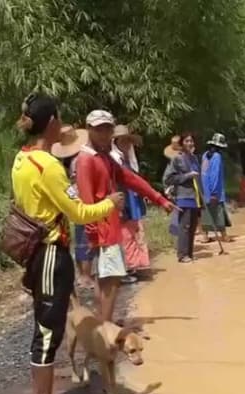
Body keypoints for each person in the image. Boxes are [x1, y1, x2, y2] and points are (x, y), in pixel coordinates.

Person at [11, 93, 123, 394]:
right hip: (50, 253)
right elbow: (77, 212)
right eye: (60, 119)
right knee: (48, 333)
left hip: (35, 252)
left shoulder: (22, 159)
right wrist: (109, 204)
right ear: (53, 122)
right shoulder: (49, 167)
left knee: (47, 330)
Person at [75, 110, 174, 324]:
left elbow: (130, 178)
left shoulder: (104, 158)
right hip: (102, 230)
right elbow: (85, 200)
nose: (103, 133)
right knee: (111, 279)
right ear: (89, 130)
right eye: (98, 129)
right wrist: (93, 233)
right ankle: (106, 327)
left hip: (110, 226)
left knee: (108, 278)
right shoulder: (86, 160)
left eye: (107, 129)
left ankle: (103, 323)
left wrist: (159, 198)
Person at [51, 127, 94, 290]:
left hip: (71, 200)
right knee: (86, 237)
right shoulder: (80, 159)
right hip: (82, 199)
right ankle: (86, 276)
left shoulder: (63, 162)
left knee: (79, 238)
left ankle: (82, 275)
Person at [111, 125, 150, 282]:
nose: (127, 144)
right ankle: (126, 269)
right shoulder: (115, 160)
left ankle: (135, 266)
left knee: (135, 232)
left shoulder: (128, 160)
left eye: (128, 141)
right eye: (123, 141)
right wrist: (119, 208)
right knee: (125, 235)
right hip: (123, 202)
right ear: (116, 141)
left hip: (133, 200)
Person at [163, 133, 203, 263]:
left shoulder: (194, 158)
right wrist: (188, 176)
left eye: (191, 141)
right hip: (183, 197)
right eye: (187, 141)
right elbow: (169, 178)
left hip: (195, 196)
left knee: (192, 226)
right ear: (182, 144)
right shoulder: (177, 159)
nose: (190, 143)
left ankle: (189, 254)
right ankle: (182, 255)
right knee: (184, 226)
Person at [201, 133, 233, 241]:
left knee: (207, 212)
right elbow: (214, 175)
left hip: (205, 190)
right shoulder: (217, 157)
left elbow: (203, 173)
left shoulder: (205, 155)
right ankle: (224, 235)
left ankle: (205, 236)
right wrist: (214, 192)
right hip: (215, 191)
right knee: (219, 212)